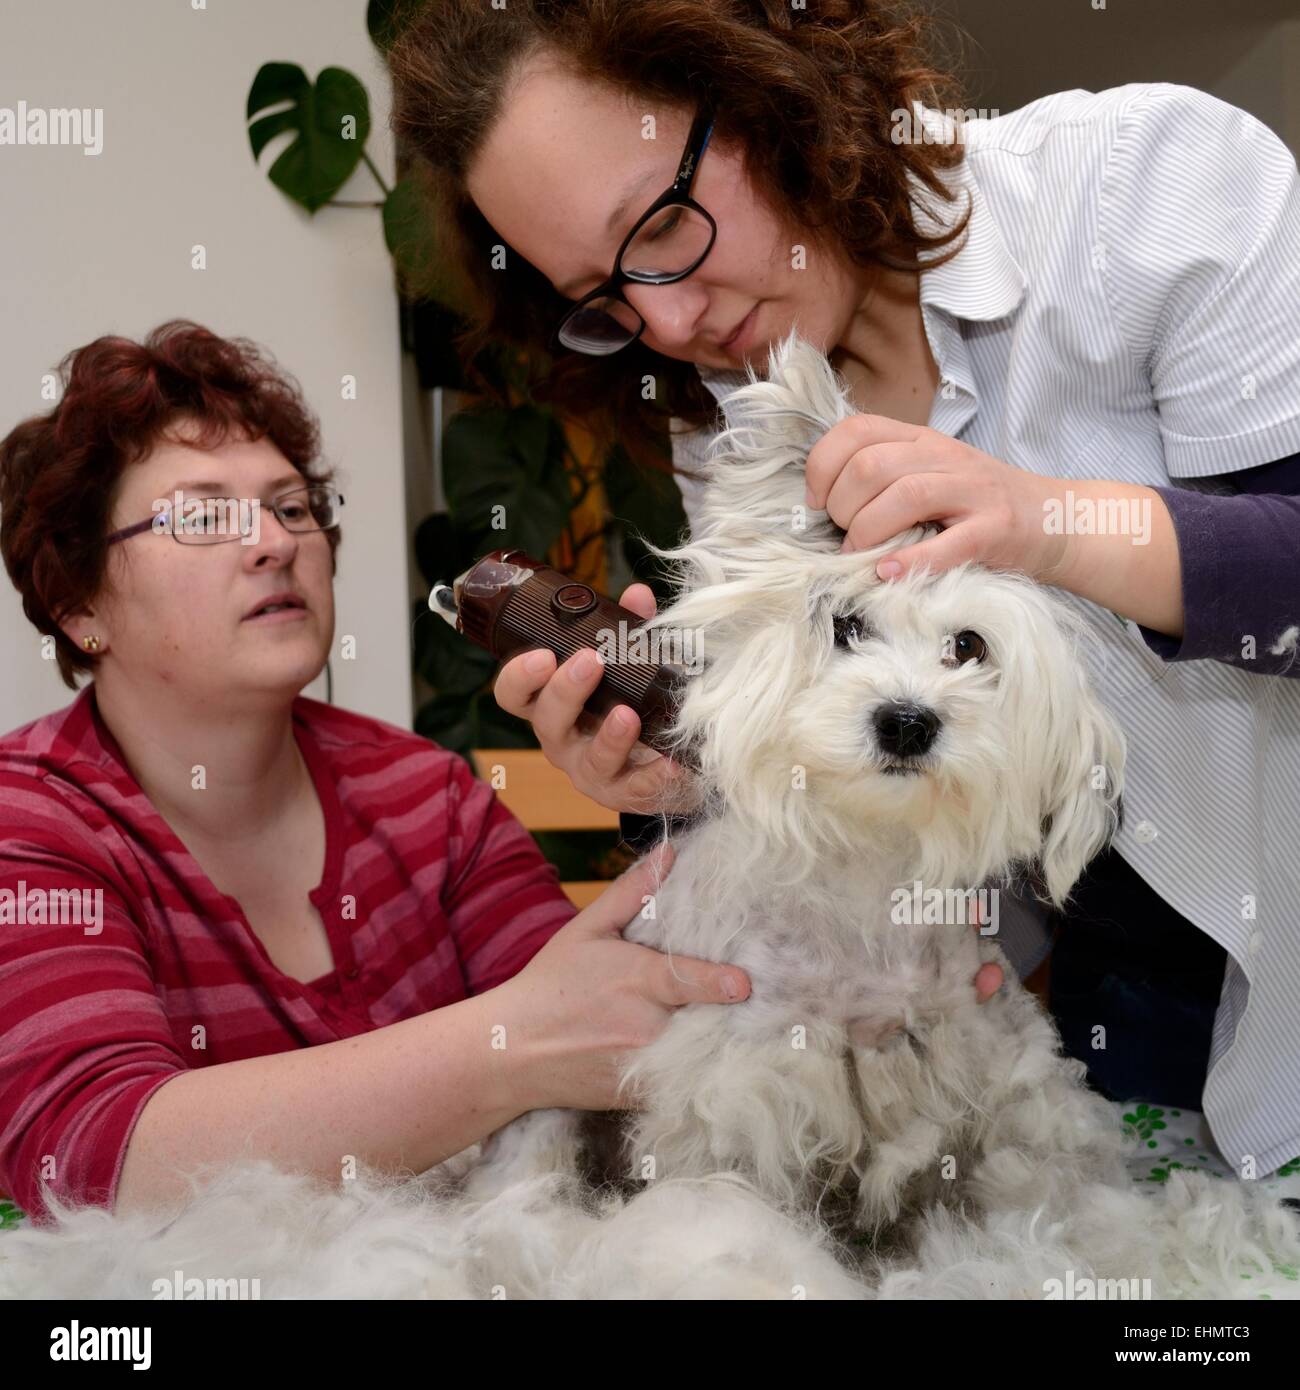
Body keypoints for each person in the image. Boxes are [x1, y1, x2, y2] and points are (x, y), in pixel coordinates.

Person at [387, 1, 1300, 1171]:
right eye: (606, 301)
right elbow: (903, 791)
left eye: (662, 226)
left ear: (773, 91)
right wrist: (698, 772)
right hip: (1140, 1011)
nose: (669, 319)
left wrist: (1047, 522)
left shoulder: (1141, 189)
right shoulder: (735, 434)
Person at [0, 320, 751, 1224]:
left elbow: (597, 1026)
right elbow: (94, 1163)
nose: (275, 543)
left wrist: (685, 804)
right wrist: (510, 1049)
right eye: (203, 517)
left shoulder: (423, 796)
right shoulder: (29, 819)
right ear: (78, 602)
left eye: (290, 506)